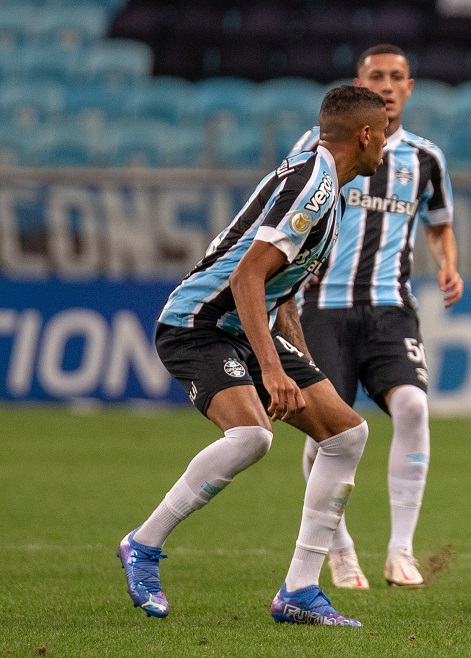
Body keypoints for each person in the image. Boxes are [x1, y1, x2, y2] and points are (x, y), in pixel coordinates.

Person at [117, 85, 389, 626]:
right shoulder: (313, 186)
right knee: (251, 437)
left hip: (246, 325)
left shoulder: (325, 189)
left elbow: (277, 287)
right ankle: (142, 546)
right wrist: (270, 369)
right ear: (364, 135)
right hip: (198, 324)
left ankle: (299, 593)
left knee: (346, 434)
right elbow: (246, 275)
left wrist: (301, 364)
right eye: (382, 133)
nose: (385, 144)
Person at [291, 44, 462, 590]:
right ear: (360, 84)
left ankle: (400, 550)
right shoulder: (316, 148)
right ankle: (339, 551)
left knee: (412, 405)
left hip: (390, 306)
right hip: (322, 307)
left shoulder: (426, 159)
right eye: (376, 76)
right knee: (324, 433)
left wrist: (447, 267)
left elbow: (438, 223)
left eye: (396, 77)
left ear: (410, 88)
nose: (387, 85)